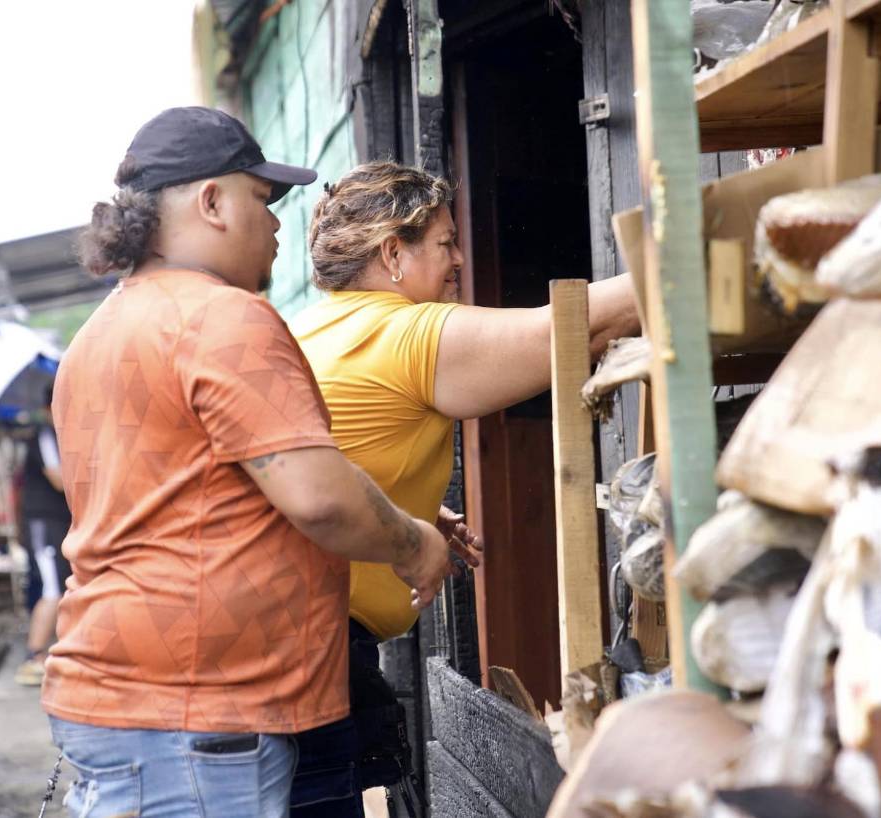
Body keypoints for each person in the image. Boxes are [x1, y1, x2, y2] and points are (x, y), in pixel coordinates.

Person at [41, 107, 464, 818]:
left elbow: (204, 493)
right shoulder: (221, 317)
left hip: (127, 697)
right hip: (200, 718)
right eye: (263, 201)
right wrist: (413, 542)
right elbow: (319, 498)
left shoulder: (99, 333)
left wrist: (396, 510)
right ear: (211, 202)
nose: (276, 226)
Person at [287, 161, 642, 813]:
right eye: (446, 243)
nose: (458, 261)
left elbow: (330, 455)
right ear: (393, 253)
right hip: (309, 656)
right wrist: (685, 259)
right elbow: (570, 331)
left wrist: (398, 509)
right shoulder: (398, 332)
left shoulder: (314, 328)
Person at [14, 384, 72, 686]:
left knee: (63, 586)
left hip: (58, 524)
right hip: (43, 525)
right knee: (52, 589)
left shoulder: (61, 437)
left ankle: (59, 651)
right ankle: (33, 655)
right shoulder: (46, 436)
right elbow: (60, 481)